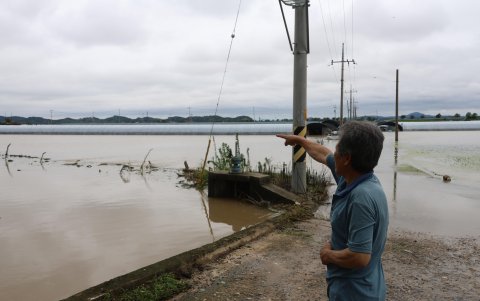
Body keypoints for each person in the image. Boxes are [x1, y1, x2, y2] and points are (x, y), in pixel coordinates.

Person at [277, 121, 389, 301]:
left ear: (346, 159)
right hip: (363, 285)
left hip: (355, 293)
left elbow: (359, 256)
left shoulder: (361, 198)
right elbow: (324, 155)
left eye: (337, 150)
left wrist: (328, 255)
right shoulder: (357, 179)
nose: (333, 154)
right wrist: (300, 141)